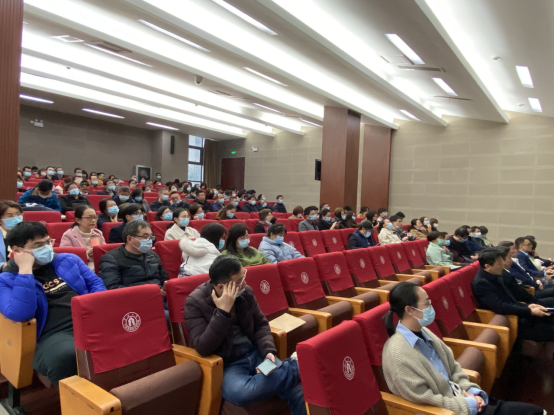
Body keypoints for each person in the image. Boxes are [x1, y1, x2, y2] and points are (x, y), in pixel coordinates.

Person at [383, 281, 544, 416]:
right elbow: (424, 399)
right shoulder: (397, 353)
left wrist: (472, 391)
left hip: (464, 399)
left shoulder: (423, 331)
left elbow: (453, 368)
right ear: (410, 310)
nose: (431, 307)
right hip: (451, 410)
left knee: (534, 411)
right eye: (427, 303)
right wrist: (468, 404)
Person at [184, 256, 305, 414]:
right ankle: (296, 366)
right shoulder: (195, 302)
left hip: (256, 354)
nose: (245, 283)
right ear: (221, 287)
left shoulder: (245, 292)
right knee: (240, 392)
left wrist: (268, 351)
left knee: (297, 390)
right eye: (240, 281)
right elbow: (203, 347)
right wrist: (222, 312)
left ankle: (291, 369)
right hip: (229, 364)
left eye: (244, 276)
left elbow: (261, 324)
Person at [0, 222, 106, 386]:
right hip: (53, 333)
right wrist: (25, 270)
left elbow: (96, 284)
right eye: (38, 245)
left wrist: (92, 308)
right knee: (66, 355)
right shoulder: (6, 280)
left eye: (48, 242)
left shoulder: (69, 259)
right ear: (17, 250)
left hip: (87, 319)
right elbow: (21, 314)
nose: (47, 248)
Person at [473, 248, 554, 345]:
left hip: (518, 314)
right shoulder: (481, 283)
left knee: (549, 316)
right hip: (512, 322)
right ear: (487, 266)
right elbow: (500, 306)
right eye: (499, 263)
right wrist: (529, 311)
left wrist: (529, 306)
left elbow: (510, 300)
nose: (502, 265)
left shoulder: (494, 275)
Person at [60, 206, 105, 271]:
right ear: (78, 220)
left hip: (98, 265)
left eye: (95, 217)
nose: (93, 220)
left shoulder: (98, 233)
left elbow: (104, 252)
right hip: (78, 267)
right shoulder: (69, 235)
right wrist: (86, 255)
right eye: (89, 217)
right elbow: (66, 257)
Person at [0, 201, 23, 267]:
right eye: (10, 216)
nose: (16, 219)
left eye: (18, 214)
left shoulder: (29, 232)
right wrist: (3, 266)